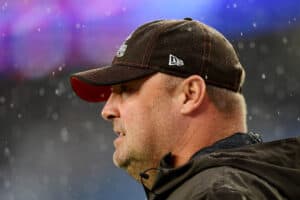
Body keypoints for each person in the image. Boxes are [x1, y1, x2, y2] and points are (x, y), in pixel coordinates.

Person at [70, 18, 300, 199]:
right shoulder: (253, 183)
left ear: (190, 95)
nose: (107, 110)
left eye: (127, 90)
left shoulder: (213, 193)